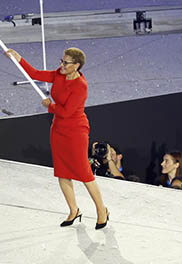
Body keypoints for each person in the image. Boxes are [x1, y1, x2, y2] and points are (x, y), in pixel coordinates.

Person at [6, 48, 109, 230]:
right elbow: (35, 73)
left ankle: (102, 210)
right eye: (62, 60)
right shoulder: (59, 74)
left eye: (66, 62)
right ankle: (73, 210)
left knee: (84, 173)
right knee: (62, 172)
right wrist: (19, 58)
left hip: (76, 131)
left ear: (76, 65)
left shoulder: (80, 86)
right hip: (58, 129)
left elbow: (67, 112)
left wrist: (50, 105)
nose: (61, 65)